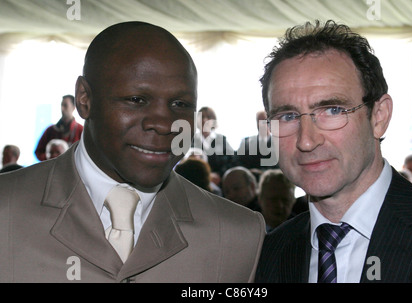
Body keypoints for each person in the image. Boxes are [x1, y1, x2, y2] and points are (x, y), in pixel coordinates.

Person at [0, 21, 265, 282]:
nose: (163, 124)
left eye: (180, 103)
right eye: (137, 100)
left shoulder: (238, 236)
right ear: (84, 99)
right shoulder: (6, 211)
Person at [255, 20, 412, 283]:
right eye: (287, 116)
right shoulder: (270, 253)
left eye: (333, 110)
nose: (307, 141)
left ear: (378, 117)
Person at [34, 95, 83, 161]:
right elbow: (38, 152)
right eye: (61, 105)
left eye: (65, 105)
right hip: (51, 169)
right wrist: (50, 158)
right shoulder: (50, 130)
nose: (62, 108)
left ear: (74, 107)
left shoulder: (81, 130)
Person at [192, 106, 235, 177]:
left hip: (219, 181)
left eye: (208, 117)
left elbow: (232, 161)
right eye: (202, 117)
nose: (204, 120)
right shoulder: (191, 140)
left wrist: (219, 175)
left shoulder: (221, 139)